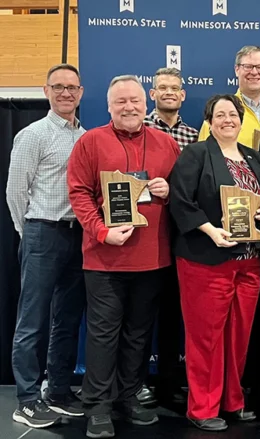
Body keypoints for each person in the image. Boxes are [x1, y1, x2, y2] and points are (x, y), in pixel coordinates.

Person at [67, 75, 180, 439]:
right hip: (104, 259)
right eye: (121, 102)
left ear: (145, 103)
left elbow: (189, 195)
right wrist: (102, 232)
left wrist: (169, 189)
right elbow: (79, 195)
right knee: (103, 335)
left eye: (134, 100)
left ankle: (128, 396)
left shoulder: (166, 143)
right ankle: (98, 405)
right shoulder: (90, 142)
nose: (129, 107)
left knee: (138, 334)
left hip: (153, 258)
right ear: (108, 107)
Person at [168, 94, 260, 432]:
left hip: (249, 261)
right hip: (206, 258)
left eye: (233, 114)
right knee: (206, 338)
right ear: (209, 121)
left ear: (242, 120)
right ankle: (202, 408)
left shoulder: (254, 159)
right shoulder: (195, 154)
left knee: (238, 337)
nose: (228, 119)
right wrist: (211, 231)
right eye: (220, 114)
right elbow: (181, 202)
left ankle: (233, 400)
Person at [6, 63, 86, 428]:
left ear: (81, 93)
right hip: (42, 233)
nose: (66, 93)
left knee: (67, 319)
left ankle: (58, 391)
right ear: (46, 91)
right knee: (32, 321)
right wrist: (29, 232)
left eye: (72, 87)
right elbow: (14, 192)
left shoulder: (85, 137)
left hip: (78, 235)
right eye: (59, 87)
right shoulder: (33, 134)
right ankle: (26, 399)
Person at [137, 66, 199, 408]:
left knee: (177, 314)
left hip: (183, 234)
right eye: (162, 88)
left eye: (175, 88)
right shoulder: (139, 129)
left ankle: (172, 382)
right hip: (145, 232)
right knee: (143, 314)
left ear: (183, 94)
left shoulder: (194, 136)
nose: (169, 93)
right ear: (153, 94)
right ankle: (137, 383)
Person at [198, 45, 260, 146]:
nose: (254, 72)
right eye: (248, 67)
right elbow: (203, 156)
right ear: (237, 70)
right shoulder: (217, 114)